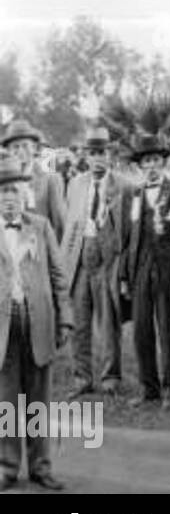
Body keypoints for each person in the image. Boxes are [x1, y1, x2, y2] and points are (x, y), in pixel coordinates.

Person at [0, 157, 73, 491]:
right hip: (4, 327)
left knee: (38, 399)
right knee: (7, 400)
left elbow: (59, 275)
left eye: (14, 190)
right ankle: (7, 467)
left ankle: (41, 466)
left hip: (39, 322)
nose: (8, 198)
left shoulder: (40, 226)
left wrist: (66, 318)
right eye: (2, 192)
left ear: (25, 192)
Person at [119, 134, 170, 409]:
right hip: (140, 269)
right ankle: (148, 387)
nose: (151, 166)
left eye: (155, 161)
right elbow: (129, 238)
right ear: (141, 166)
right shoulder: (135, 194)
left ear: (163, 163)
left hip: (166, 271)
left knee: (168, 330)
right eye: (146, 162)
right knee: (141, 331)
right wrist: (125, 276)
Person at [62, 127, 127, 398]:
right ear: (86, 156)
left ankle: (111, 377)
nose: (98, 158)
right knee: (79, 320)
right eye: (93, 153)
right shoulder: (76, 184)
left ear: (110, 155)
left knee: (109, 320)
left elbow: (126, 230)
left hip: (108, 259)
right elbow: (69, 223)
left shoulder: (122, 185)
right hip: (79, 258)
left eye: (103, 153)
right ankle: (82, 377)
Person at [2, 119, 64, 241]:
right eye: (15, 147)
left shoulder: (49, 178)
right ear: (8, 151)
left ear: (34, 148)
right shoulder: (3, 179)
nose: (20, 151)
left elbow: (59, 223)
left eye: (25, 145)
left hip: (39, 249)